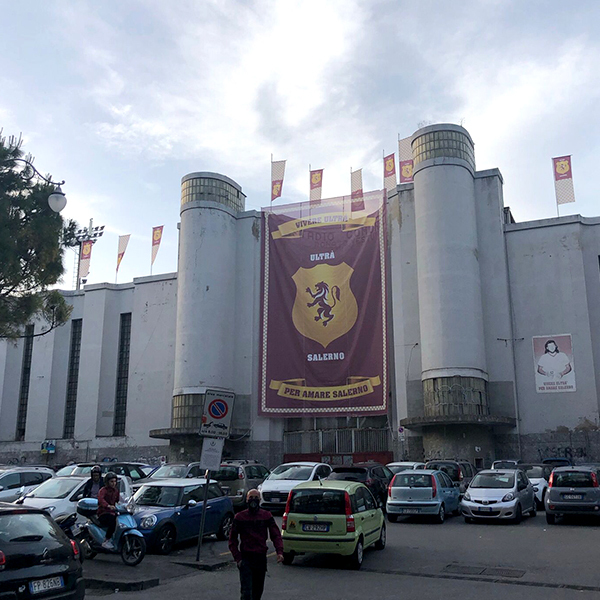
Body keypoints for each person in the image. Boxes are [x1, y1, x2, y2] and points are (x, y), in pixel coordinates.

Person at [229, 489, 284, 600]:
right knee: (246, 592)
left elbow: (276, 534)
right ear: (246, 500)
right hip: (246, 558)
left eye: (256, 498)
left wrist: (279, 552)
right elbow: (232, 539)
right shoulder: (240, 517)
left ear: (259, 500)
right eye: (251, 498)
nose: (253, 501)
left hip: (260, 558)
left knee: (257, 592)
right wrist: (238, 558)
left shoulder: (266, 515)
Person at [97, 472, 120, 550]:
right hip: (103, 512)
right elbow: (101, 499)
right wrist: (108, 506)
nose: (114, 483)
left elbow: (119, 500)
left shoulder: (116, 491)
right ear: (107, 482)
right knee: (112, 521)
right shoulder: (103, 490)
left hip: (113, 512)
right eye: (111, 481)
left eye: (115, 481)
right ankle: (106, 540)